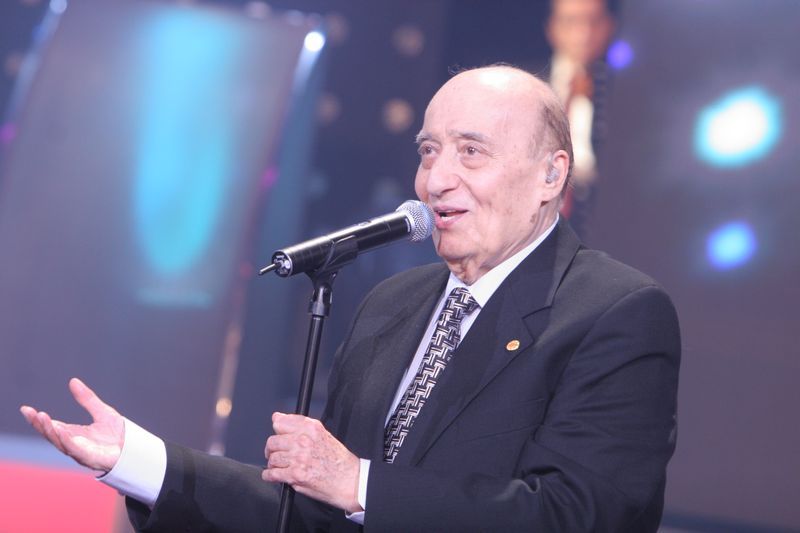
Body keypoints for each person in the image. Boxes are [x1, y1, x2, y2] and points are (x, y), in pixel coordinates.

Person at [20, 65, 680, 532]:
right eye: (429, 151)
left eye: (471, 152)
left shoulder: (615, 313)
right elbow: (316, 509)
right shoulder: (391, 305)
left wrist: (359, 482)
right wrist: (140, 460)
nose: (436, 179)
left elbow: (579, 516)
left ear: (551, 175)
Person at [545, 0, 615, 235]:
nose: (583, 34)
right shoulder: (526, 83)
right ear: (552, 28)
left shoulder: (625, 93)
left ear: (609, 26)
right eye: (571, 22)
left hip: (604, 221)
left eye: (593, 22)